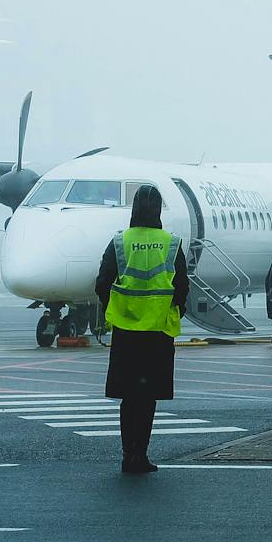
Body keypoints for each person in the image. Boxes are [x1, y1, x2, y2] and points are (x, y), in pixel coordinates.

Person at [94, 184, 188, 475]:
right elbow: (182, 285)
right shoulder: (171, 242)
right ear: (158, 209)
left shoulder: (119, 242)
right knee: (148, 398)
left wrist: (118, 307)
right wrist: (173, 310)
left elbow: (102, 282)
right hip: (158, 332)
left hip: (126, 330)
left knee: (128, 396)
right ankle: (141, 454)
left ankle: (126, 455)